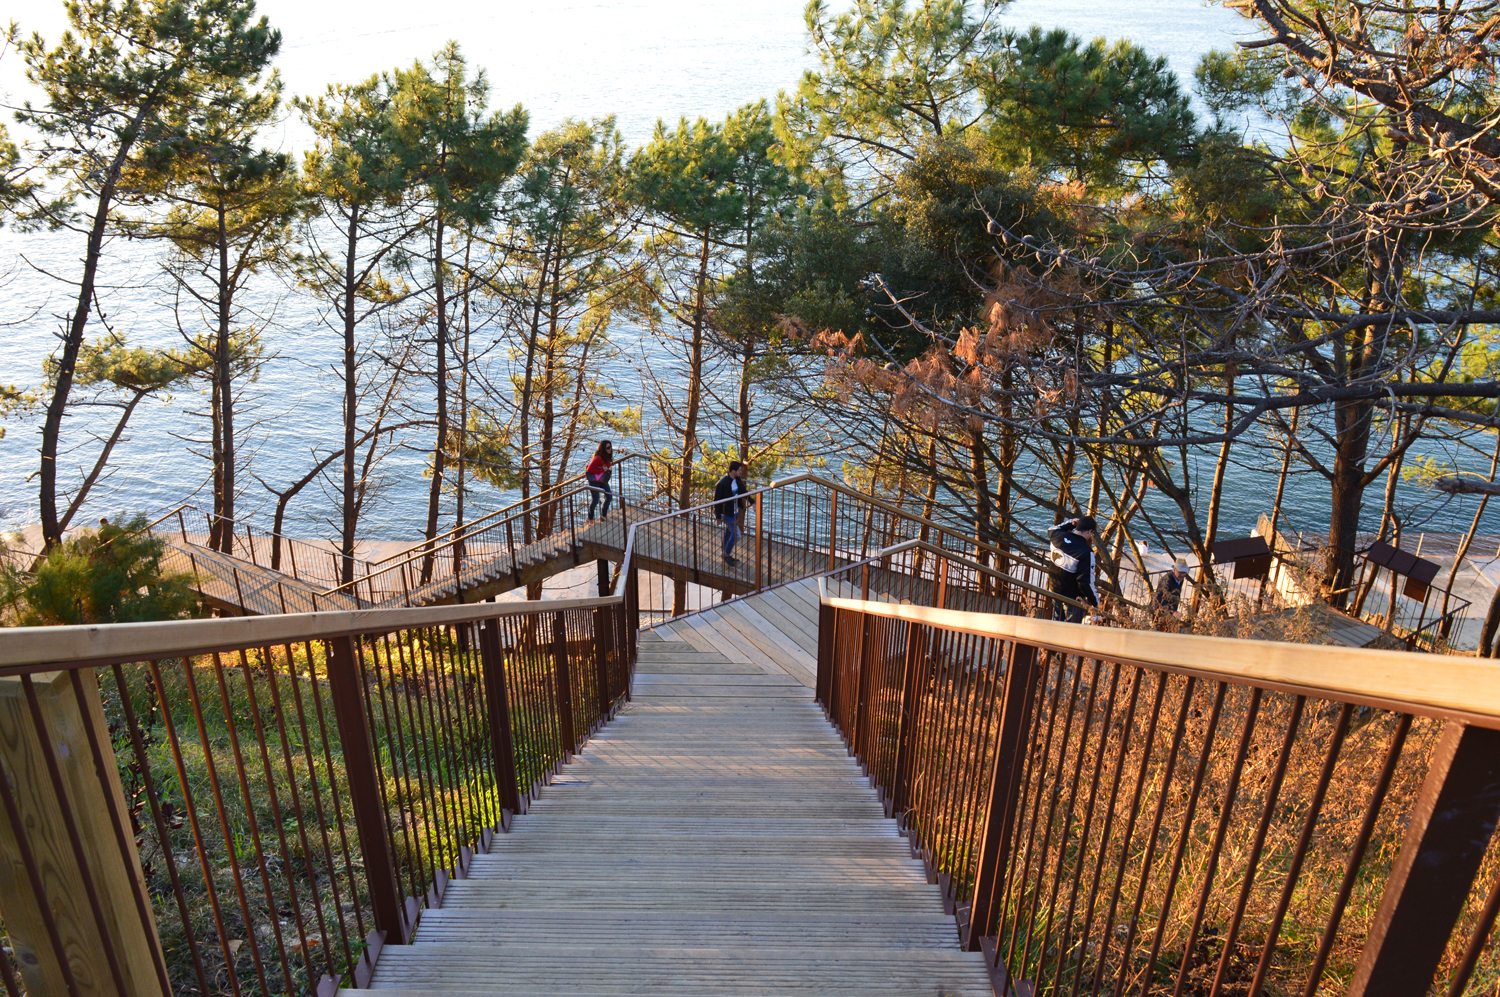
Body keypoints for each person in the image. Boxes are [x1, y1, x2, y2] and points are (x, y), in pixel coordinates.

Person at [1048, 515, 1098, 623]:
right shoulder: (1086, 552)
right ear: (1089, 531)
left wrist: (1070, 523)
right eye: (1092, 533)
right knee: (1072, 627)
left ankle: (1054, 637)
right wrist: (1096, 603)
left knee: (1057, 619)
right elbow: (1085, 582)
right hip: (1073, 597)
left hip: (1054, 588)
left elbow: (1051, 529)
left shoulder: (1057, 536)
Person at [713, 461, 749, 564]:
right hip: (727, 514)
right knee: (737, 534)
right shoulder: (722, 483)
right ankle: (726, 554)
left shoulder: (736, 480)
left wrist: (752, 502)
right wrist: (718, 517)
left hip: (735, 512)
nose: (741, 472)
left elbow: (743, 491)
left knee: (728, 532)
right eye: (739, 470)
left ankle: (724, 552)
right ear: (733, 471)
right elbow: (717, 501)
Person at [585, 441, 614, 521]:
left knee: (609, 496)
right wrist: (601, 470)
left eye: (610, 447)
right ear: (603, 449)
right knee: (596, 500)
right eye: (608, 448)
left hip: (602, 480)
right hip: (594, 481)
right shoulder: (598, 458)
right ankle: (590, 517)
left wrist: (608, 469)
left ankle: (603, 515)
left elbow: (606, 466)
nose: (610, 449)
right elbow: (589, 469)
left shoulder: (607, 457)